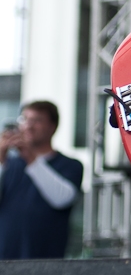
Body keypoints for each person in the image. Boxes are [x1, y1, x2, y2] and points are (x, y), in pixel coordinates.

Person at [0, 101, 83, 259]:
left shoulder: (70, 165)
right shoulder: (9, 165)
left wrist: (30, 158)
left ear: (53, 127)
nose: (28, 126)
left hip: (46, 262)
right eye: (24, 119)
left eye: (37, 120)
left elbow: (62, 199)